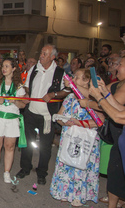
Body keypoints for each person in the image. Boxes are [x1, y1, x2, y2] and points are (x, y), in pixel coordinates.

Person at [16, 44, 69, 185]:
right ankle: (25, 168)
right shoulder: (34, 69)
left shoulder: (59, 72)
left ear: (52, 57)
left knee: (45, 147)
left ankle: (42, 172)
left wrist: (54, 94)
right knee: (27, 143)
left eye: (45, 54)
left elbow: (67, 90)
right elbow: (27, 85)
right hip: (31, 113)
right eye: (41, 53)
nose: (41, 56)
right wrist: (27, 94)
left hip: (47, 116)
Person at [50, 68, 101, 207]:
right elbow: (61, 115)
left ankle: (79, 195)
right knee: (67, 163)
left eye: (77, 77)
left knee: (81, 164)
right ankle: (65, 192)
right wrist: (62, 120)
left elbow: (100, 120)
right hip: (70, 135)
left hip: (86, 137)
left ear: (87, 80)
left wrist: (79, 123)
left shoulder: (94, 99)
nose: (73, 79)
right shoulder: (70, 97)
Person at [79, 58, 125, 208]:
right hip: (121, 140)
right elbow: (118, 108)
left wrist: (97, 98)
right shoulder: (118, 84)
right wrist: (104, 91)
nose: (117, 68)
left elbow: (118, 116)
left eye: (121, 64)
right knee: (116, 173)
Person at [0, 58, 26, 183]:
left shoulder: (19, 86)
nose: (4, 68)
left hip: (12, 119)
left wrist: (15, 100)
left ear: (14, 69)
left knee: (9, 146)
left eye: (7, 66)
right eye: (3, 66)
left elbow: (23, 105)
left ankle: (7, 172)